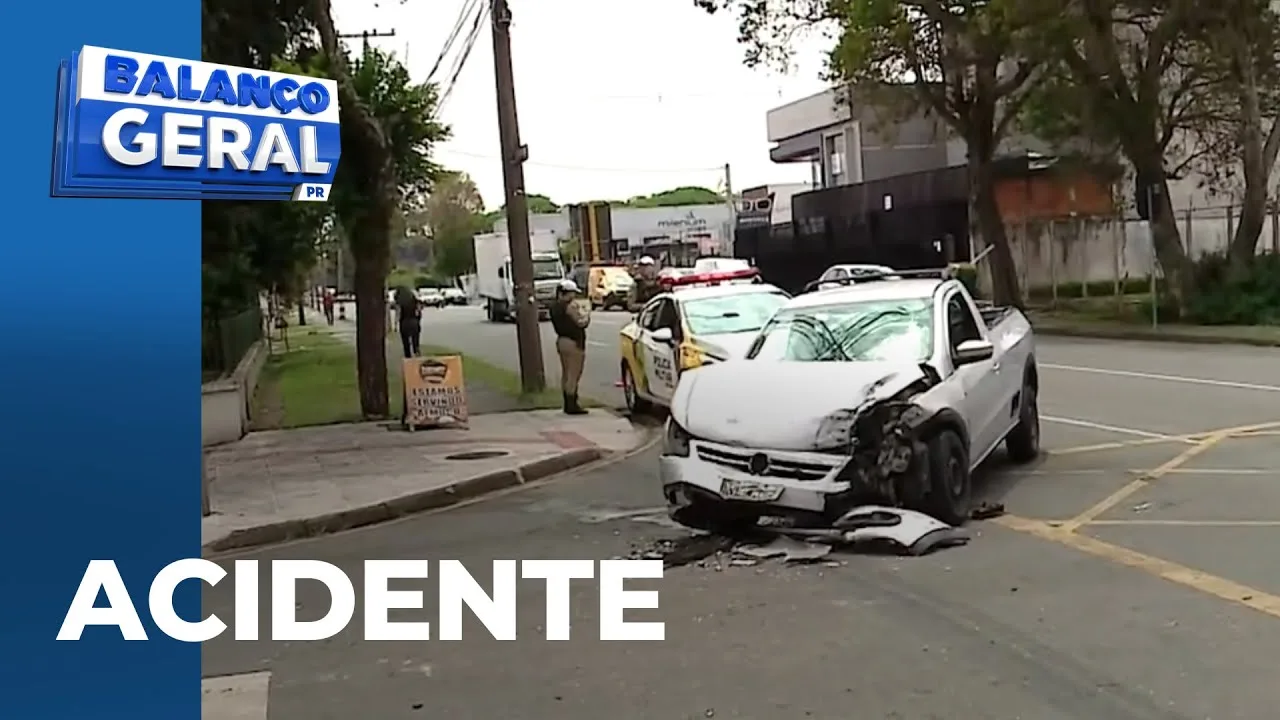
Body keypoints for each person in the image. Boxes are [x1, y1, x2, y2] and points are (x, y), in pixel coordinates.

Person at [550, 279, 590, 415]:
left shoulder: (554, 307)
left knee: (566, 373)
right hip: (573, 342)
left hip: (562, 340)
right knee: (574, 374)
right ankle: (572, 404)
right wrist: (587, 316)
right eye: (571, 293)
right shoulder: (570, 307)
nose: (573, 297)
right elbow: (581, 322)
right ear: (565, 293)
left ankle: (567, 402)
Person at [394, 286, 422, 358]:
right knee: (415, 340)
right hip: (414, 321)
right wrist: (418, 318)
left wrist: (395, 324)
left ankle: (408, 357)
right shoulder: (414, 299)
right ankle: (417, 353)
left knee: (406, 343)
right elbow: (418, 310)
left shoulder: (400, 301)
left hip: (404, 322)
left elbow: (398, 313)